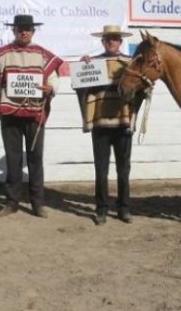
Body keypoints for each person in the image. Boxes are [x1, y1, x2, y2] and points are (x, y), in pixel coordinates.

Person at [0, 15, 63, 218]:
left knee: (35, 158)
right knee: (13, 159)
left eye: (28, 29)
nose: (24, 32)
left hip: (35, 113)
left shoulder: (42, 54)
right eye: (20, 28)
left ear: (33, 31)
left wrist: (50, 88)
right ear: (14, 30)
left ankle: (37, 203)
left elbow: (53, 79)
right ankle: (12, 202)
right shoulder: (1, 54)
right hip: (10, 113)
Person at [76, 25, 143, 225]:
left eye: (114, 38)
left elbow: (140, 90)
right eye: (107, 39)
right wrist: (82, 68)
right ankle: (101, 209)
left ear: (120, 42)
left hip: (123, 123)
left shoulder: (130, 64)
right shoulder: (93, 63)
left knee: (124, 169)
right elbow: (80, 88)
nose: (111, 42)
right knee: (101, 169)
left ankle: (124, 209)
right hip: (100, 123)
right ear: (102, 42)